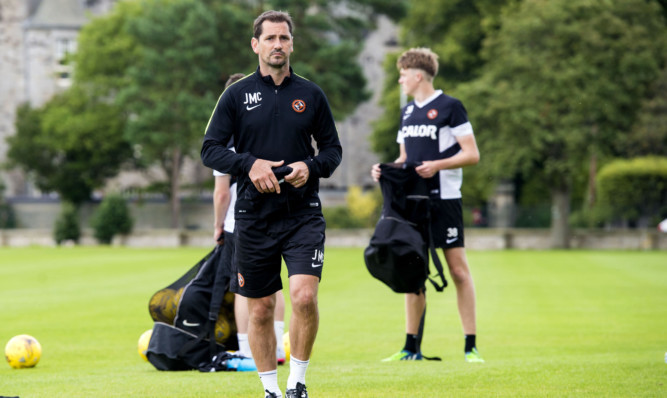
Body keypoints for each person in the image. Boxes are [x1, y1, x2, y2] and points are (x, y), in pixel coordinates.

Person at [202, 10, 342, 398]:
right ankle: (270, 390)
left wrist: (309, 167)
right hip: (253, 217)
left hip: (301, 214)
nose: (277, 45)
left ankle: (297, 383)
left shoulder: (311, 95)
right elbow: (209, 150)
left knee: (303, 296)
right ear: (255, 45)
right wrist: (249, 164)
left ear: (292, 44)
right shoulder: (235, 95)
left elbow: (333, 151)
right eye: (269, 39)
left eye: (283, 38)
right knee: (261, 308)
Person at [371, 47, 484, 363]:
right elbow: (405, 159)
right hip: (412, 204)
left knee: (459, 271)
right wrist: (386, 169)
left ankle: (470, 346)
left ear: (418, 75)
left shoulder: (451, 107)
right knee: (412, 270)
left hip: (444, 201)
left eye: (403, 75)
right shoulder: (407, 113)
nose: (400, 81)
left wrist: (437, 165)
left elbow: (471, 154)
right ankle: (411, 348)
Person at [213, 73, 287, 367]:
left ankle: (246, 351)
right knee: (275, 285)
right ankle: (278, 347)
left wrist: (218, 225)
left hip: (241, 221)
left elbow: (222, 195)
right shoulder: (268, 132)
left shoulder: (225, 139)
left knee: (245, 287)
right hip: (279, 216)